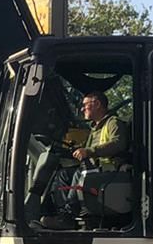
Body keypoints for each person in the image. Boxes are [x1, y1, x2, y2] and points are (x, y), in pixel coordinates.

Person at [41, 91, 131, 228]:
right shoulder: (94, 129)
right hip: (93, 170)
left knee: (79, 174)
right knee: (63, 174)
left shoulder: (113, 123)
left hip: (109, 172)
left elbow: (118, 143)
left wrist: (89, 151)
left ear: (97, 104)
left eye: (85, 105)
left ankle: (69, 214)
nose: (82, 109)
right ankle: (61, 212)